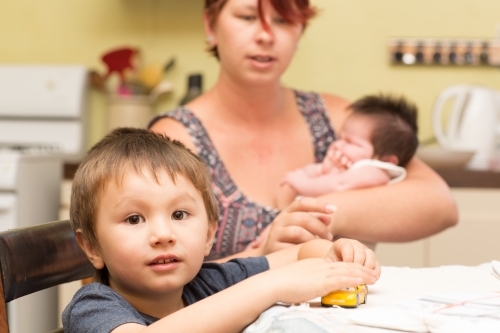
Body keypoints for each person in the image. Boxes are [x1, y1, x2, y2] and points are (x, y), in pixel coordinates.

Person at [148, 0, 458, 261]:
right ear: (210, 25)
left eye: (282, 20)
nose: (265, 35)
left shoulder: (340, 119)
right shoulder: (175, 138)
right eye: (246, 17)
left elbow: (439, 204)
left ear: (300, 31)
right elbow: (152, 279)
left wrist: (320, 214)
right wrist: (260, 258)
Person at [62, 127, 380, 333]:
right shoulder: (93, 307)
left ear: (210, 234)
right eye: (134, 219)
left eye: (179, 214)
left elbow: (297, 254)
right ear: (91, 246)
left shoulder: (208, 283)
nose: (163, 234)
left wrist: (337, 253)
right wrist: (271, 287)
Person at [280, 94, 418, 200]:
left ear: (386, 160)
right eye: (340, 138)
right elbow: (322, 176)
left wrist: (302, 183)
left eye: (350, 142)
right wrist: (322, 169)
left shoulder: (375, 172)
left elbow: (340, 185)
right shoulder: (349, 167)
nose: (338, 144)